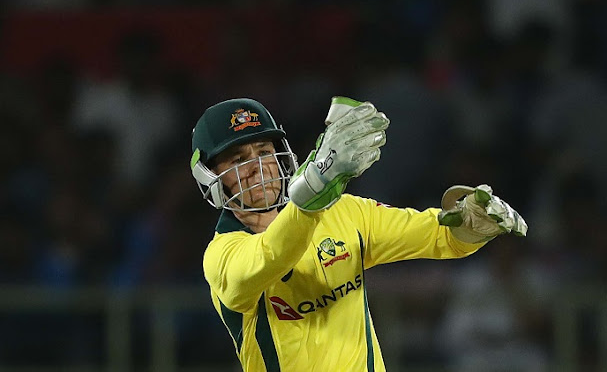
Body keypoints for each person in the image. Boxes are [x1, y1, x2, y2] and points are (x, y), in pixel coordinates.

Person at [190, 95, 528, 371]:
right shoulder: (222, 255)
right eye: (238, 159)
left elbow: (438, 235)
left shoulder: (344, 212)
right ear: (210, 177)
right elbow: (271, 255)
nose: (257, 166)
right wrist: (310, 197)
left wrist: (471, 225)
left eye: (264, 151)